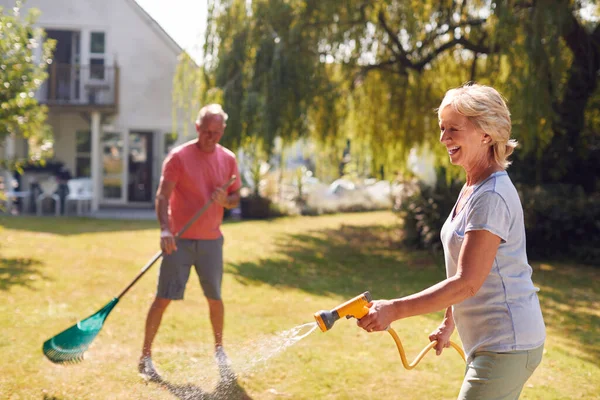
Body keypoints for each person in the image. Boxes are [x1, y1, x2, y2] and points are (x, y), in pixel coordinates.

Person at [357, 83, 546, 399]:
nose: (443, 138)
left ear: (486, 135)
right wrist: (449, 322)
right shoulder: (473, 187)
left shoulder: (492, 196)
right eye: (442, 128)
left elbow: (467, 283)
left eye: (453, 129)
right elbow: (465, 269)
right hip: (493, 343)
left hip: (507, 343)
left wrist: (393, 309)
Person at [138, 104, 242, 382]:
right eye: (207, 131)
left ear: (222, 131)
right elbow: (162, 197)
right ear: (197, 128)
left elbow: (235, 198)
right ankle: (145, 356)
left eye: (217, 132)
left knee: (215, 298)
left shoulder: (228, 159)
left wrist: (225, 201)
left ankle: (220, 350)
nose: (211, 137)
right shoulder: (179, 158)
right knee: (163, 298)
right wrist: (164, 230)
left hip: (211, 242)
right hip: (179, 240)